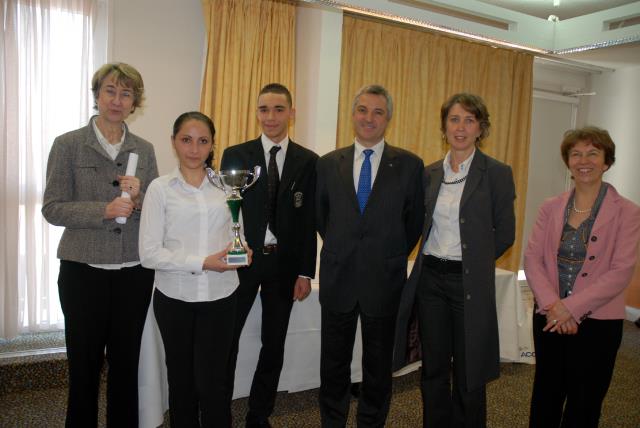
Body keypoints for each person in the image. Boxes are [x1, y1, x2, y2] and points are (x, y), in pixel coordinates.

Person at [41, 62, 158, 427]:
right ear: (96, 95)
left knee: (126, 365)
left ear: (135, 102)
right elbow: (53, 208)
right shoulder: (68, 144)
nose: (117, 100)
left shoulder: (145, 149)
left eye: (126, 93)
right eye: (110, 90)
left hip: (132, 273)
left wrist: (139, 199)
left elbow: (156, 208)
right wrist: (103, 210)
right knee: (84, 366)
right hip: (82, 272)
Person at [395, 93, 516, 427]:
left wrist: (473, 262)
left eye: (469, 120)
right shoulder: (430, 172)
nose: (461, 127)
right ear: (444, 126)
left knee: (469, 366)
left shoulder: (496, 173)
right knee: (433, 366)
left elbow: (505, 232)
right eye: (454, 119)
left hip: (468, 281)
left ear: (481, 128)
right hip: (431, 279)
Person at [316, 84, 425, 427]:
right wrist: (345, 246)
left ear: (388, 118)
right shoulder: (328, 164)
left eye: (378, 112)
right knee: (333, 363)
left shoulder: (409, 165)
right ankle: (332, 421)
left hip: (384, 279)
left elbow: (414, 221)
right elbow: (322, 218)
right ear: (353, 115)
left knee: (377, 366)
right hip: (339, 277)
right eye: (363, 110)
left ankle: (370, 422)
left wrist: (386, 252)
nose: (369, 118)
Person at [524, 126, 640, 428]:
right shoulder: (550, 207)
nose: (583, 160)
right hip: (549, 317)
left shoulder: (628, 212)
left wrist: (570, 308)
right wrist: (553, 305)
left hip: (598, 324)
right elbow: (532, 259)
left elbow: (621, 271)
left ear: (606, 161)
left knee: (584, 403)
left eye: (593, 153)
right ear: (568, 161)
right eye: (576, 153)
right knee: (545, 397)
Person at [139, 111, 246, 427]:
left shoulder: (226, 186)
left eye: (203, 141)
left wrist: (242, 251)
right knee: (182, 383)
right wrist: (202, 263)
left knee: (215, 384)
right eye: (186, 140)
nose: (194, 149)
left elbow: (236, 235)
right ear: (174, 142)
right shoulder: (160, 189)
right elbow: (148, 254)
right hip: (175, 299)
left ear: (212, 145)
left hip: (221, 298)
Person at [220, 83, 318, 427]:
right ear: (256, 113)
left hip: (284, 266)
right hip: (242, 263)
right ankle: (219, 412)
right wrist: (226, 261)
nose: (271, 117)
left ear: (292, 113)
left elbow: (309, 221)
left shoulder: (309, 161)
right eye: (264, 109)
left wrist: (306, 271)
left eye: (279, 109)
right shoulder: (235, 154)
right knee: (227, 340)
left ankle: (259, 413)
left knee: (273, 343)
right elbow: (226, 213)